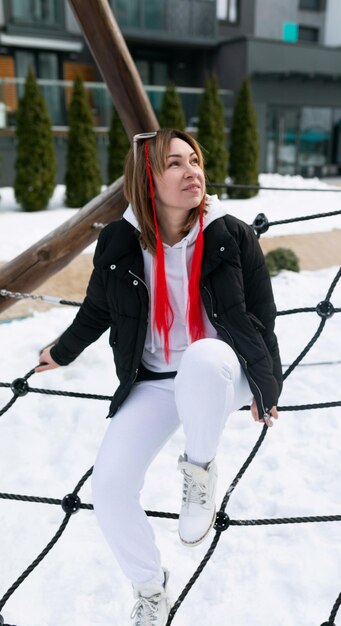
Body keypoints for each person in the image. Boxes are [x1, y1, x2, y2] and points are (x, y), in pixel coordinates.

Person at [35, 128, 282, 626]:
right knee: (108, 487)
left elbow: (262, 316)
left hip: (220, 371)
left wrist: (266, 384)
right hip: (153, 380)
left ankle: (200, 471)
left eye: (195, 160)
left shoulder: (231, 235)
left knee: (203, 358)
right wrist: (61, 352)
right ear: (147, 177)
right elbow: (97, 309)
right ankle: (150, 587)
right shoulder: (120, 242)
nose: (192, 171)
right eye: (175, 163)